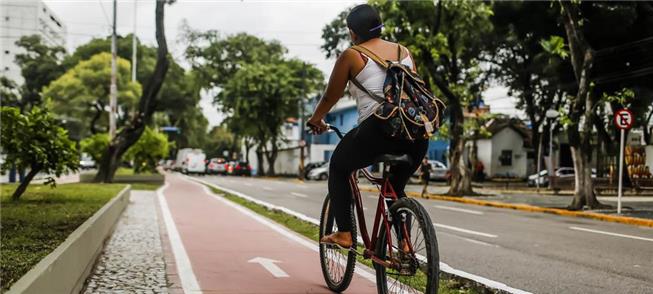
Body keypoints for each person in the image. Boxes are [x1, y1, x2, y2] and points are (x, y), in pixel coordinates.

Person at [307, 4, 427, 249]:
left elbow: (331, 96)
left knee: (339, 167)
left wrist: (316, 119)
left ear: (353, 33)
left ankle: (344, 234)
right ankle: (404, 244)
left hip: (379, 130)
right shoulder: (403, 50)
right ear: (380, 26)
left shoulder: (353, 55)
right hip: (416, 133)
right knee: (394, 189)